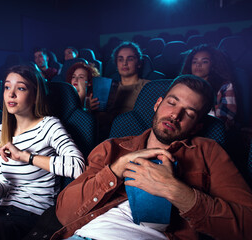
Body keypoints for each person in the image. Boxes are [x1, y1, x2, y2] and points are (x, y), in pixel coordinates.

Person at [53, 75, 252, 240]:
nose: (175, 115)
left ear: (198, 126)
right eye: (171, 103)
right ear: (157, 104)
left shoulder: (208, 152)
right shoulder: (112, 148)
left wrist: (176, 191)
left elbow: (247, 225)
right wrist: (114, 171)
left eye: (189, 114)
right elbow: (64, 213)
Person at [0, 65, 85, 240]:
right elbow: (5, 186)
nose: (11, 94)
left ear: (35, 94)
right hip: (2, 212)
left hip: (33, 215)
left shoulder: (48, 126)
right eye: (7, 87)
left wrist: (26, 157)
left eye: (20, 88)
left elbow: (78, 167)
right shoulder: (1, 132)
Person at [98, 41, 150, 140]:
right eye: (120, 59)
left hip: (136, 136)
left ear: (138, 63)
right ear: (116, 64)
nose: (124, 63)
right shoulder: (107, 87)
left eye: (130, 59)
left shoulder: (148, 87)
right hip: (107, 137)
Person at [180, 44, 237, 128]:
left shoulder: (225, 86)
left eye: (204, 61)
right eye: (194, 62)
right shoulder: (182, 85)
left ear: (213, 65)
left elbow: (225, 119)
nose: (198, 65)